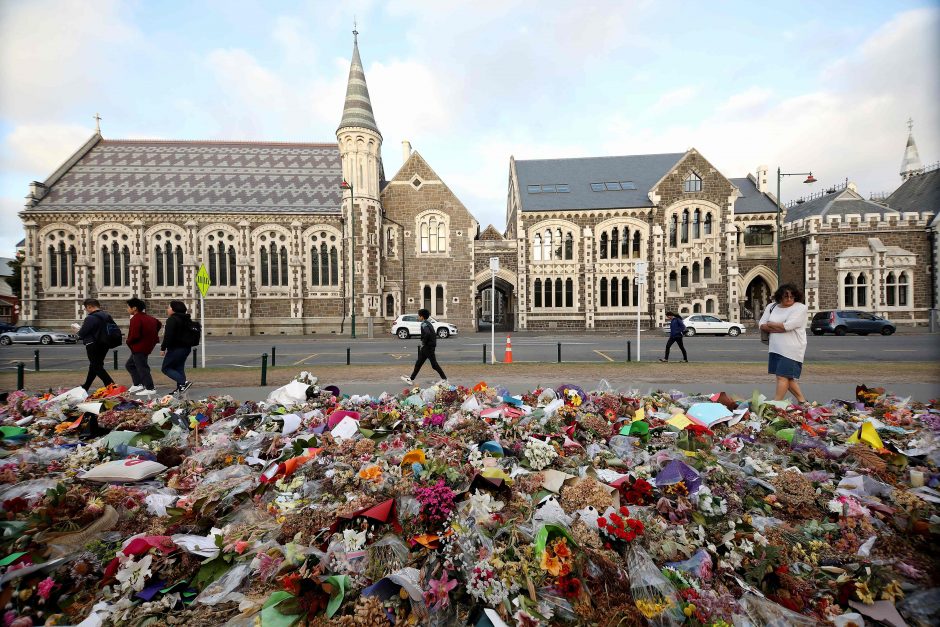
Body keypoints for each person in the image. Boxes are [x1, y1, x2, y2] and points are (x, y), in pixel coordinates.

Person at [758, 283, 808, 403]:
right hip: (775, 347)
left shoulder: (800, 308)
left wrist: (771, 324)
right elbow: (761, 324)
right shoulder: (772, 306)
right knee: (787, 377)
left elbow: (789, 326)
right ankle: (803, 402)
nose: (789, 299)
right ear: (780, 297)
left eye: (792, 296)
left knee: (782, 377)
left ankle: (776, 403)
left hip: (792, 348)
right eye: (786, 297)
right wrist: (779, 327)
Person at [73, 298, 116, 391]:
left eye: (86, 308)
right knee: (94, 366)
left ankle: (112, 386)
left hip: (93, 344)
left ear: (90, 307)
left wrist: (77, 330)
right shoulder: (107, 316)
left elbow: (82, 333)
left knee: (97, 367)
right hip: (105, 344)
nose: (86, 310)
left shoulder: (90, 318)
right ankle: (86, 386)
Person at [124, 297, 162, 396]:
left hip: (138, 347)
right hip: (146, 346)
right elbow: (159, 324)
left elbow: (134, 335)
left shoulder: (136, 319)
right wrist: (150, 335)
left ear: (134, 308)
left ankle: (150, 387)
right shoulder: (150, 318)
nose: (127, 309)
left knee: (142, 367)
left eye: (128, 307)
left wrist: (128, 341)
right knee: (130, 365)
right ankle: (138, 384)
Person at [400, 308, 448, 385]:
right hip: (428, 346)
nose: (418, 317)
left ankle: (444, 379)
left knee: (434, 365)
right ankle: (411, 379)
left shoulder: (424, 324)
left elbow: (427, 333)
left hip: (428, 347)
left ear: (422, 317)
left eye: (419, 316)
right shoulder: (428, 323)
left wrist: (424, 342)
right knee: (419, 363)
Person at [161, 301, 194, 396]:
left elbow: (168, 335)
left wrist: (163, 348)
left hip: (176, 348)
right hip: (186, 348)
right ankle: (180, 389)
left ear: (173, 309)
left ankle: (183, 382)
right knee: (179, 368)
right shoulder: (187, 319)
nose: (167, 309)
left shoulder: (172, 319)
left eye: (169, 307)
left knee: (166, 368)